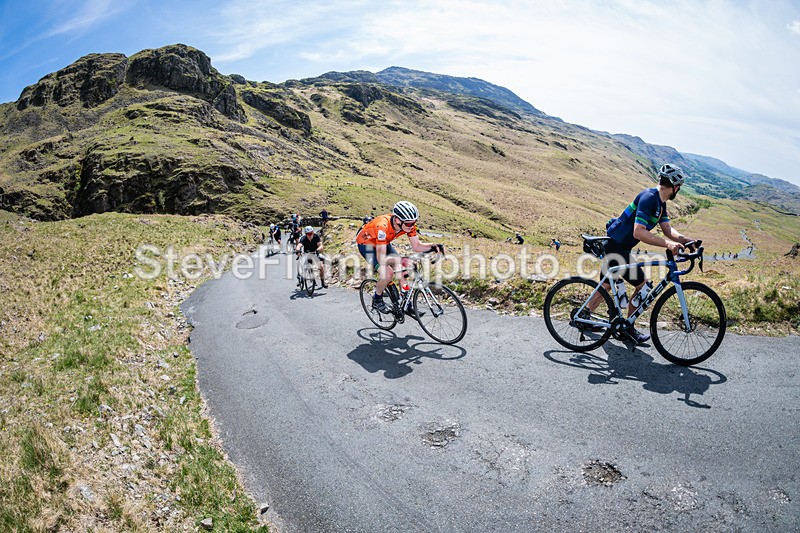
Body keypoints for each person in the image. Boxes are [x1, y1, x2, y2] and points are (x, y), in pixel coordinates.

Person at [589, 164, 694, 344]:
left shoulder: (660, 204)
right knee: (643, 286)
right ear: (674, 186)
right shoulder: (648, 198)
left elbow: (667, 229)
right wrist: (667, 244)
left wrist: (686, 240)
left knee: (606, 285)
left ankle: (585, 316)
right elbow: (639, 231)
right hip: (615, 247)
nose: (679, 190)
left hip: (619, 246)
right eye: (679, 187)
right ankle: (627, 328)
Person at [356, 201, 443, 315]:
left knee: (403, 269)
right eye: (408, 224)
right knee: (388, 273)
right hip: (366, 245)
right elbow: (381, 258)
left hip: (383, 242)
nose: (412, 226)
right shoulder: (382, 226)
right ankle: (377, 299)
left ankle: (407, 304)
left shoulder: (408, 225)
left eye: (414, 222)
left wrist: (433, 246)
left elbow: (417, 246)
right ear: (397, 220)